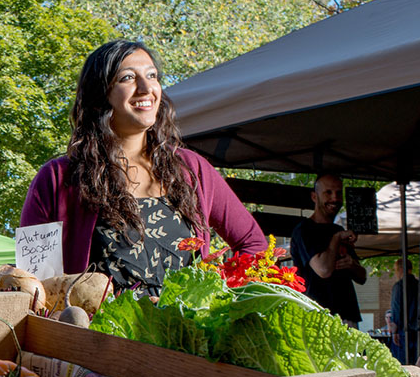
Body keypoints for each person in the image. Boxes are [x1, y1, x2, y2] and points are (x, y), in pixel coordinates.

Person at [19, 39, 267, 296]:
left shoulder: (191, 169)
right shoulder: (58, 179)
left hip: (188, 334)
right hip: (100, 334)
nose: (146, 87)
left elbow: (254, 244)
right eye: (127, 77)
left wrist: (224, 298)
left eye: (152, 76)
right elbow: (35, 278)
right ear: (99, 95)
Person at [289, 174, 366, 327]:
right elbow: (323, 269)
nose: (334, 198)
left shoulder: (339, 229)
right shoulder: (304, 230)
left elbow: (362, 277)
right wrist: (336, 238)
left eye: (338, 193)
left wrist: (351, 264)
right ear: (314, 197)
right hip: (317, 317)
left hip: (347, 317)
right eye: (328, 193)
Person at [389, 258, 420, 364]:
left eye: (396, 270)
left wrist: (395, 332)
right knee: (418, 364)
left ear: (401, 269)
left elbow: (396, 310)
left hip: (403, 332)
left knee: (402, 367)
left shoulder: (399, 286)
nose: (396, 273)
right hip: (418, 332)